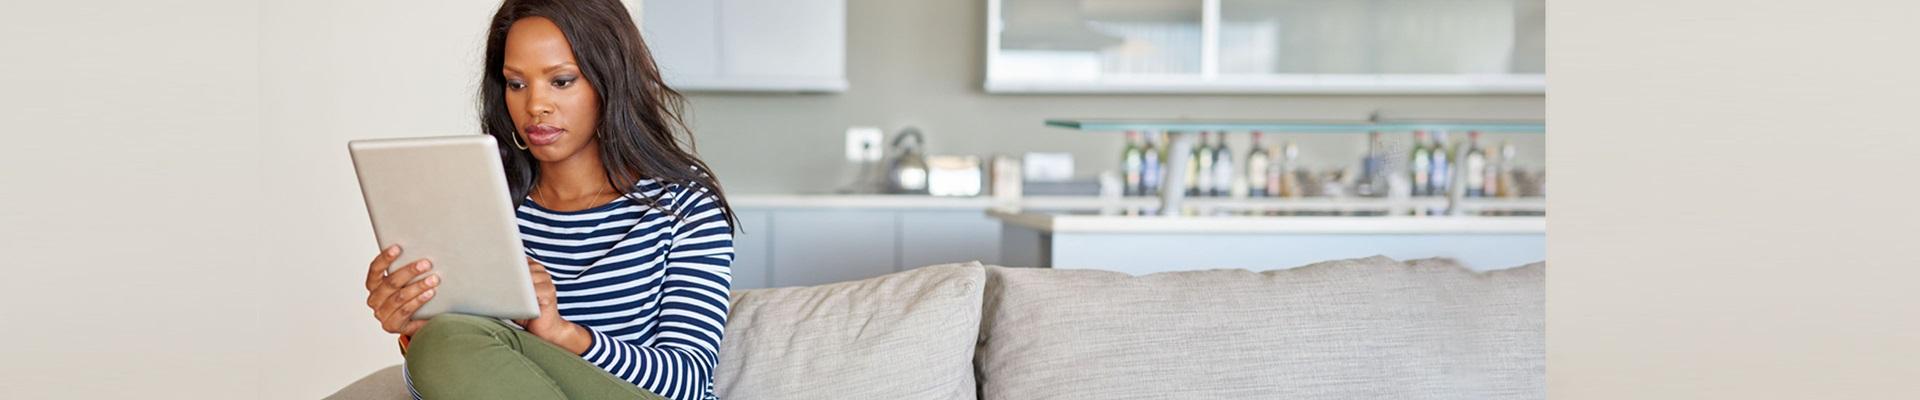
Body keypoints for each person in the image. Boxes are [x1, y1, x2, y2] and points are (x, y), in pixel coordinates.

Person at [359, 0, 736, 398]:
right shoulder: (484, 207)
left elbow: (690, 382)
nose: (535, 105)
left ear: (610, 80)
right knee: (444, 340)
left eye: (561, 81)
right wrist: (417, 330)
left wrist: (562, 334)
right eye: (516, 84)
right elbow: (468, 367)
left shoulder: (684, 203)